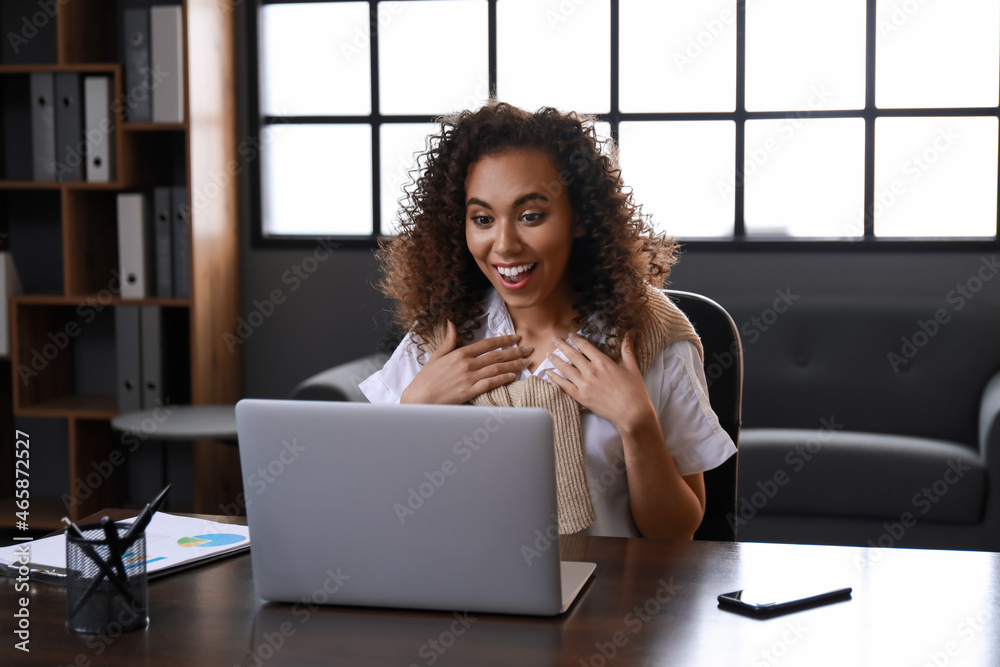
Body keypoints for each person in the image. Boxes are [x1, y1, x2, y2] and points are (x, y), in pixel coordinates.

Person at [360, 102, 736, 539]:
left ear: (579, 217)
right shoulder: (440, 335)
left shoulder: (653, 336)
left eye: (530, 216)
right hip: (464, 596)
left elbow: (675, 536)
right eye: (482, 219)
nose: (504, 245)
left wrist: (637, 424)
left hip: (614, 600)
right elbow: (380, 514)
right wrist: (414, 410)